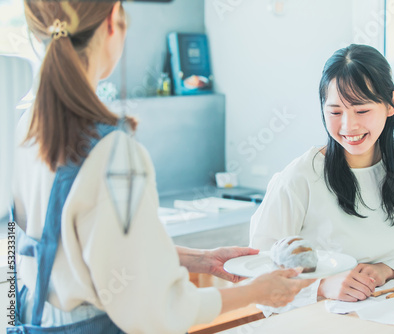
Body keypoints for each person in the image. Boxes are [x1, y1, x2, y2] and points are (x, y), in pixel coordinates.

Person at [10, 1, 315, 333]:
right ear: (113, 20)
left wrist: (198, 260)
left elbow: (83, 253)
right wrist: (256, 292)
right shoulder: (112, 152)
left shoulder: (29, 128)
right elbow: (157, 308)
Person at [249, 44, 394, 313]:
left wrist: (384, 270)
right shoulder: (299, 178)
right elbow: (257, 273)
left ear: (391, 104)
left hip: (383, 316)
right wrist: (322, 286)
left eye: (362, 111)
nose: (348, 126)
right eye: (335, 112)